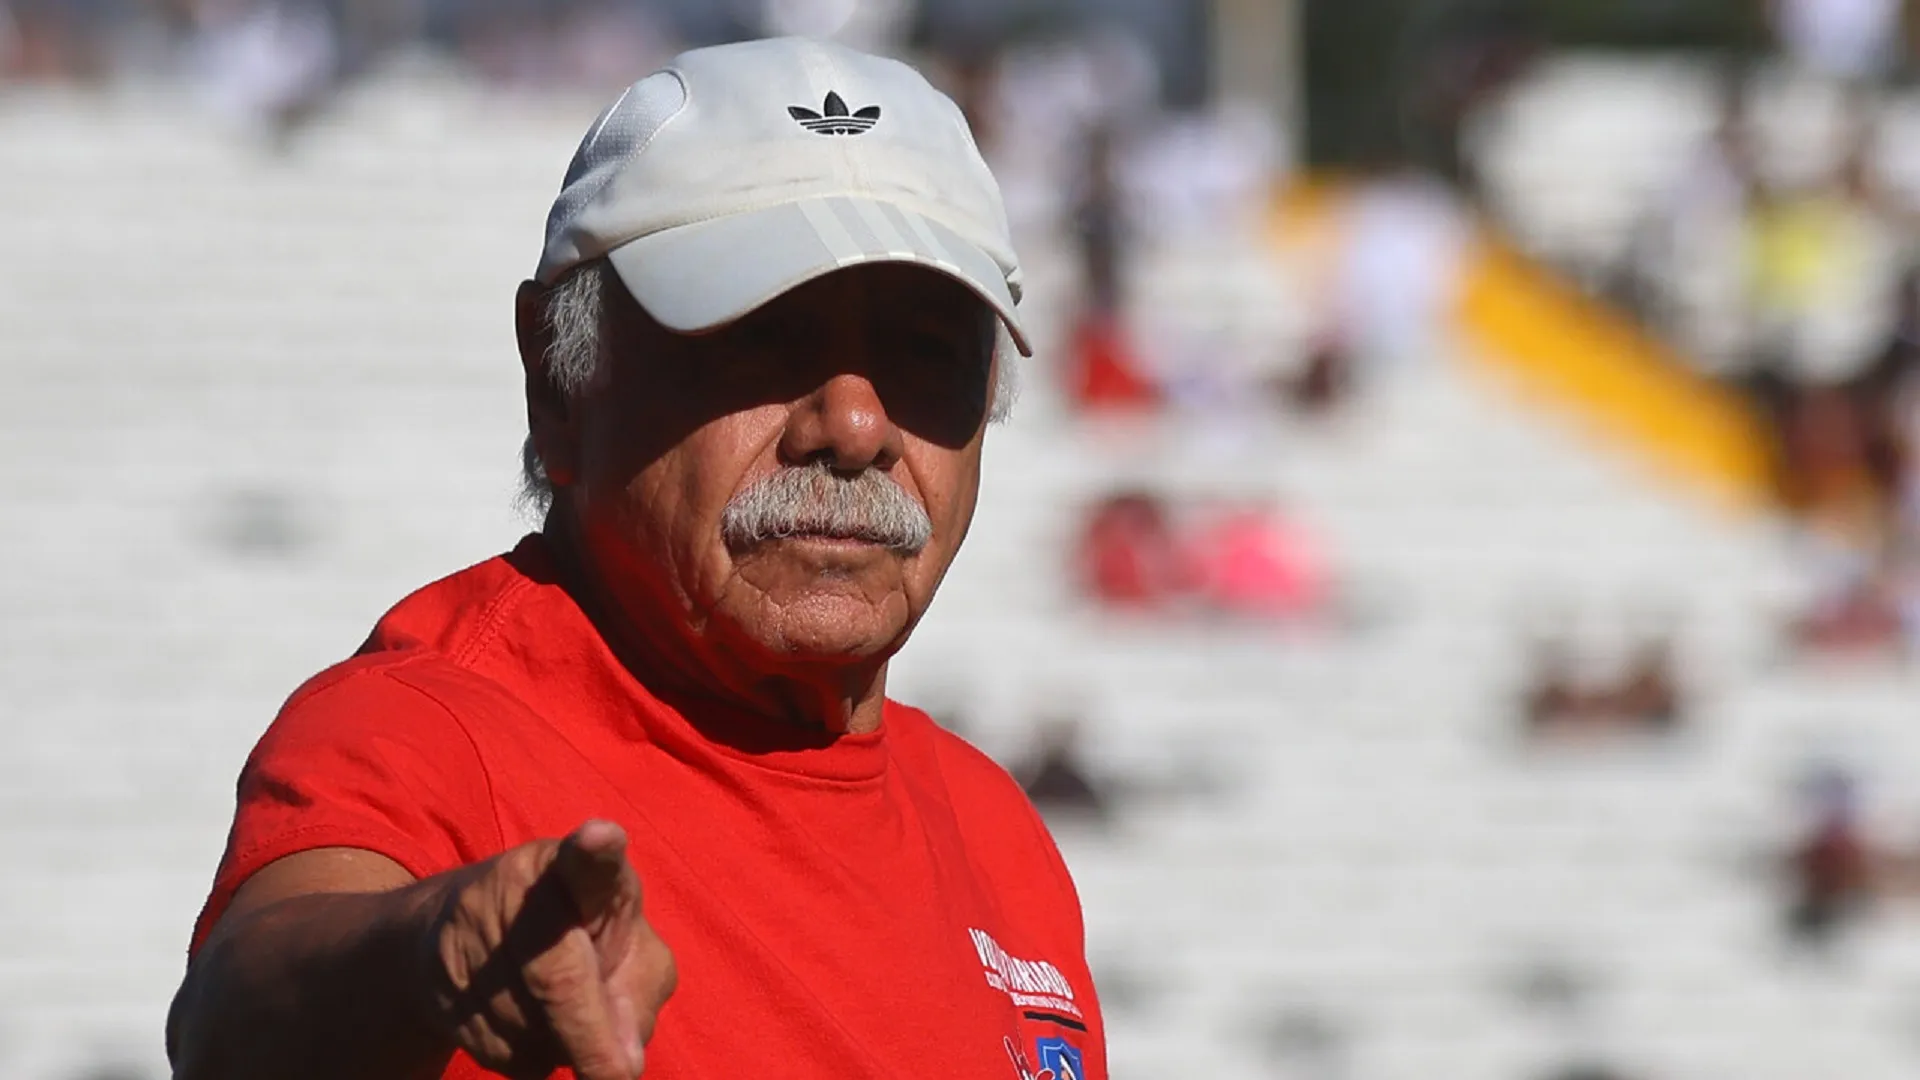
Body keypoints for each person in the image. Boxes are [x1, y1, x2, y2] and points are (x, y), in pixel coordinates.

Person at [167, 38, 1105, 1080]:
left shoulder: (996, 836)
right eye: (763, 335)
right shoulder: (425, 736)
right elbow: (241, 1016)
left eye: (926, 353)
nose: (852, 423)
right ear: (558, 386)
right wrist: (430, 955)